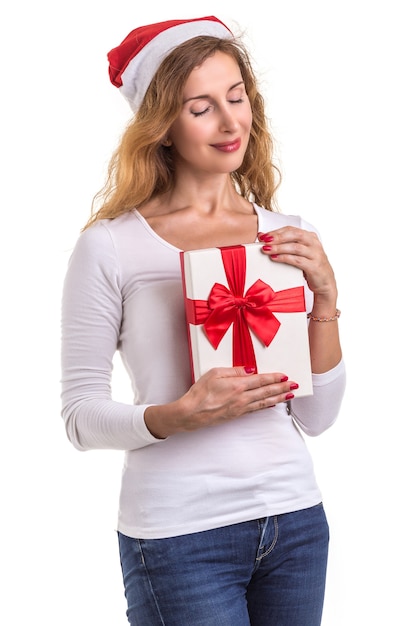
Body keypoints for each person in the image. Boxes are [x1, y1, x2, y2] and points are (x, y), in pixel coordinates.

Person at [60, 15, 346, 626]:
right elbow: (80, 417)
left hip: (296, 521)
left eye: (237, 97)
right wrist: (177, 417)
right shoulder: (110, 247)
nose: (230, 121)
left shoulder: (287, 237)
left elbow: (316, 417)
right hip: (178, 535)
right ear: (162, 125)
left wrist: (324, 298)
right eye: (202, 107)